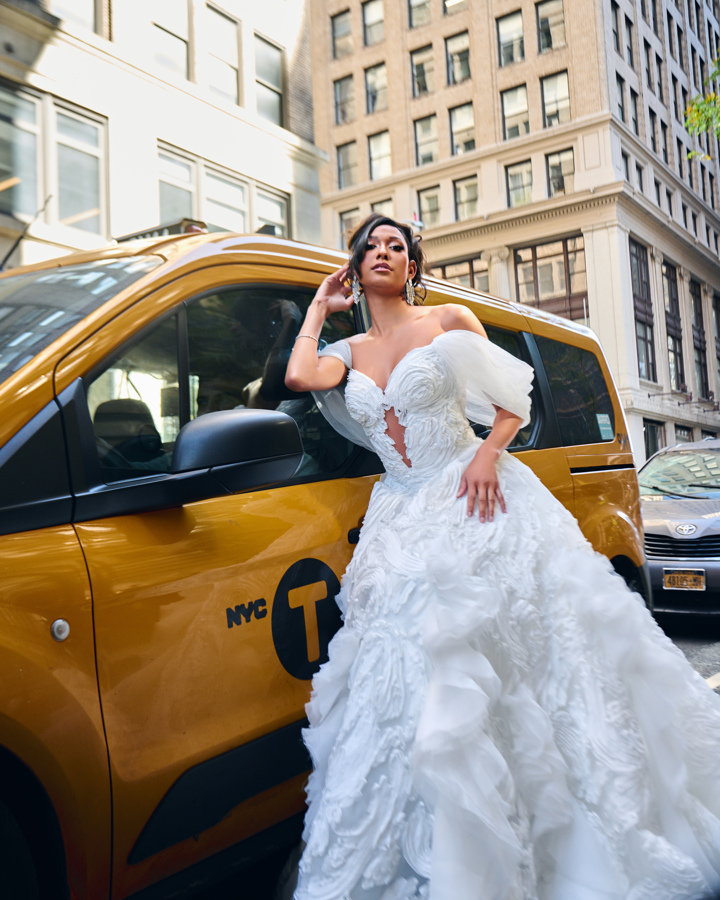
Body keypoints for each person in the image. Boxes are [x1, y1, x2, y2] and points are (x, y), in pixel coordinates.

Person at [283, 213, 720, 900]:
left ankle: (536, 831)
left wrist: (487, 455)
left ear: (412, 265)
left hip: (471, 495)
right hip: (400, 516)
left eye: (397, 246)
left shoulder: (448, 321)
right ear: (354, 266)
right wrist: (317, 306)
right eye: (371, 246)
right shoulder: (350, 348)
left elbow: (513, 402)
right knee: (405, 679)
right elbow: (301, 374)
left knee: (513, 661)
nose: (384, 253)